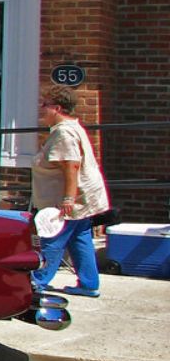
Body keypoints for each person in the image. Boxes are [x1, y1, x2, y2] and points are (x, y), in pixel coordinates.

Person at [31, 87, 110, 296]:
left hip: (66, 199)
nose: (42, 109)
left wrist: (68, 198)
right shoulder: (70, 127)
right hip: (82, 196)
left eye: (45, 105)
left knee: (53, 238)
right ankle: (89, 283)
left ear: (56, 108)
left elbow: (71, 165)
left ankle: (37, 281)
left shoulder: (64, 132)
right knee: (80, 237)